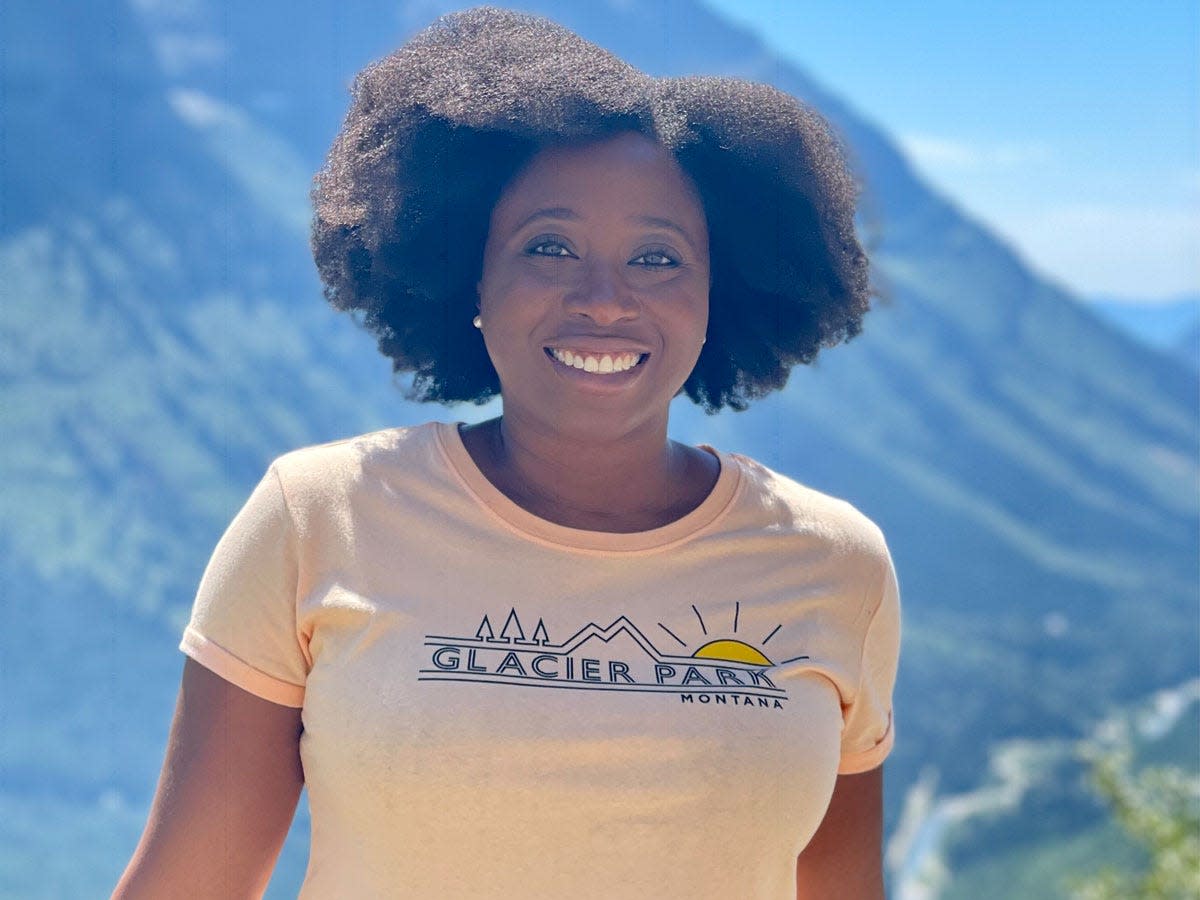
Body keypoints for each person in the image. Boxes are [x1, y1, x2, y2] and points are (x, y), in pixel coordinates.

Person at [113, 7, 900, 899]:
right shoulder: (318, 516)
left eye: (657, 258)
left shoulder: (835, 563)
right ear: (469, 277)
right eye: (549, 246)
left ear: (722, 294)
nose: (604, 300)